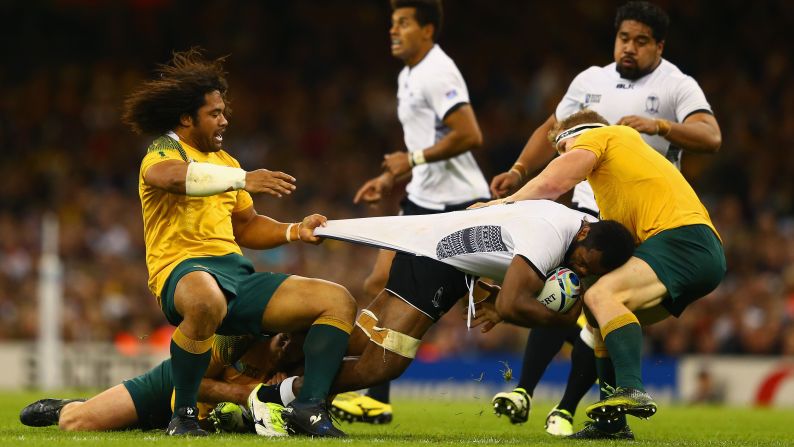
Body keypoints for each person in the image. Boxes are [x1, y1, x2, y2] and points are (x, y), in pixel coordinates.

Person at [488, 1, 722, 436]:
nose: (629, 47)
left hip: (678, 237)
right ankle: (611, 421)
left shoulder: (609, 130)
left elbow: (548, 185)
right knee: (598, 314)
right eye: (623, 38)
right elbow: (549, 134)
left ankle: (626, 392)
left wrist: (497, 207)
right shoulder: (591, 89)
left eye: (641, 40)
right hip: (659, 237)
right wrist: (519, 169)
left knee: (600, 298)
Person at [118, 48, 356, 437]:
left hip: (236, 277)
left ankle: (309, 408)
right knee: (204, 300)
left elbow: (246, 226)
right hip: (182, 271)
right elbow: (171, 178)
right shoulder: (165, 150)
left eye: (224, 111)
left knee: (338, 300)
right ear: (186, 118)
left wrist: (296, 230)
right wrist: (245, 179)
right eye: (215, 113)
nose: (224, 120)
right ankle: (184, 415)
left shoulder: (226, 163)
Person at [249, 200, 635, 435]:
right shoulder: (552, 235)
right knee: (381, 365)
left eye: (588, 272)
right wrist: (562, 320)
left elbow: (502, 245)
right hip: (437, 261)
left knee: (360, 339)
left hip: (439, 254)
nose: (579, 272)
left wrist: (500, 297)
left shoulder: (570, 220)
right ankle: (281, 395)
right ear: (584, 234)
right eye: (582, 263)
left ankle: (263, 368)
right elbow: (516, 304)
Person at [348, 0, 490, 421]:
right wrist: (393, 178)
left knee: (502, 299)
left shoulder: (437, 72)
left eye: (404, 23)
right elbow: (427, 141)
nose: (394, 30)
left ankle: (582, 335)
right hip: (423, 200)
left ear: (427, 30)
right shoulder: (409, 73)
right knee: (380, 281)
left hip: (455, 204)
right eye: (392, 23)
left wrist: (410, 162)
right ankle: (375, 394)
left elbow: (470, 133)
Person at [19, 333, 303, 434]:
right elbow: (189, 379)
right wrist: (248, 394)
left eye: (296, 342)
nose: (288, 345)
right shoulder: (239, 338)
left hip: (206, 418)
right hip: (173, 383)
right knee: (75, 423)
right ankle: (67, 407)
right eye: (284, 337)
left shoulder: (299, 371)